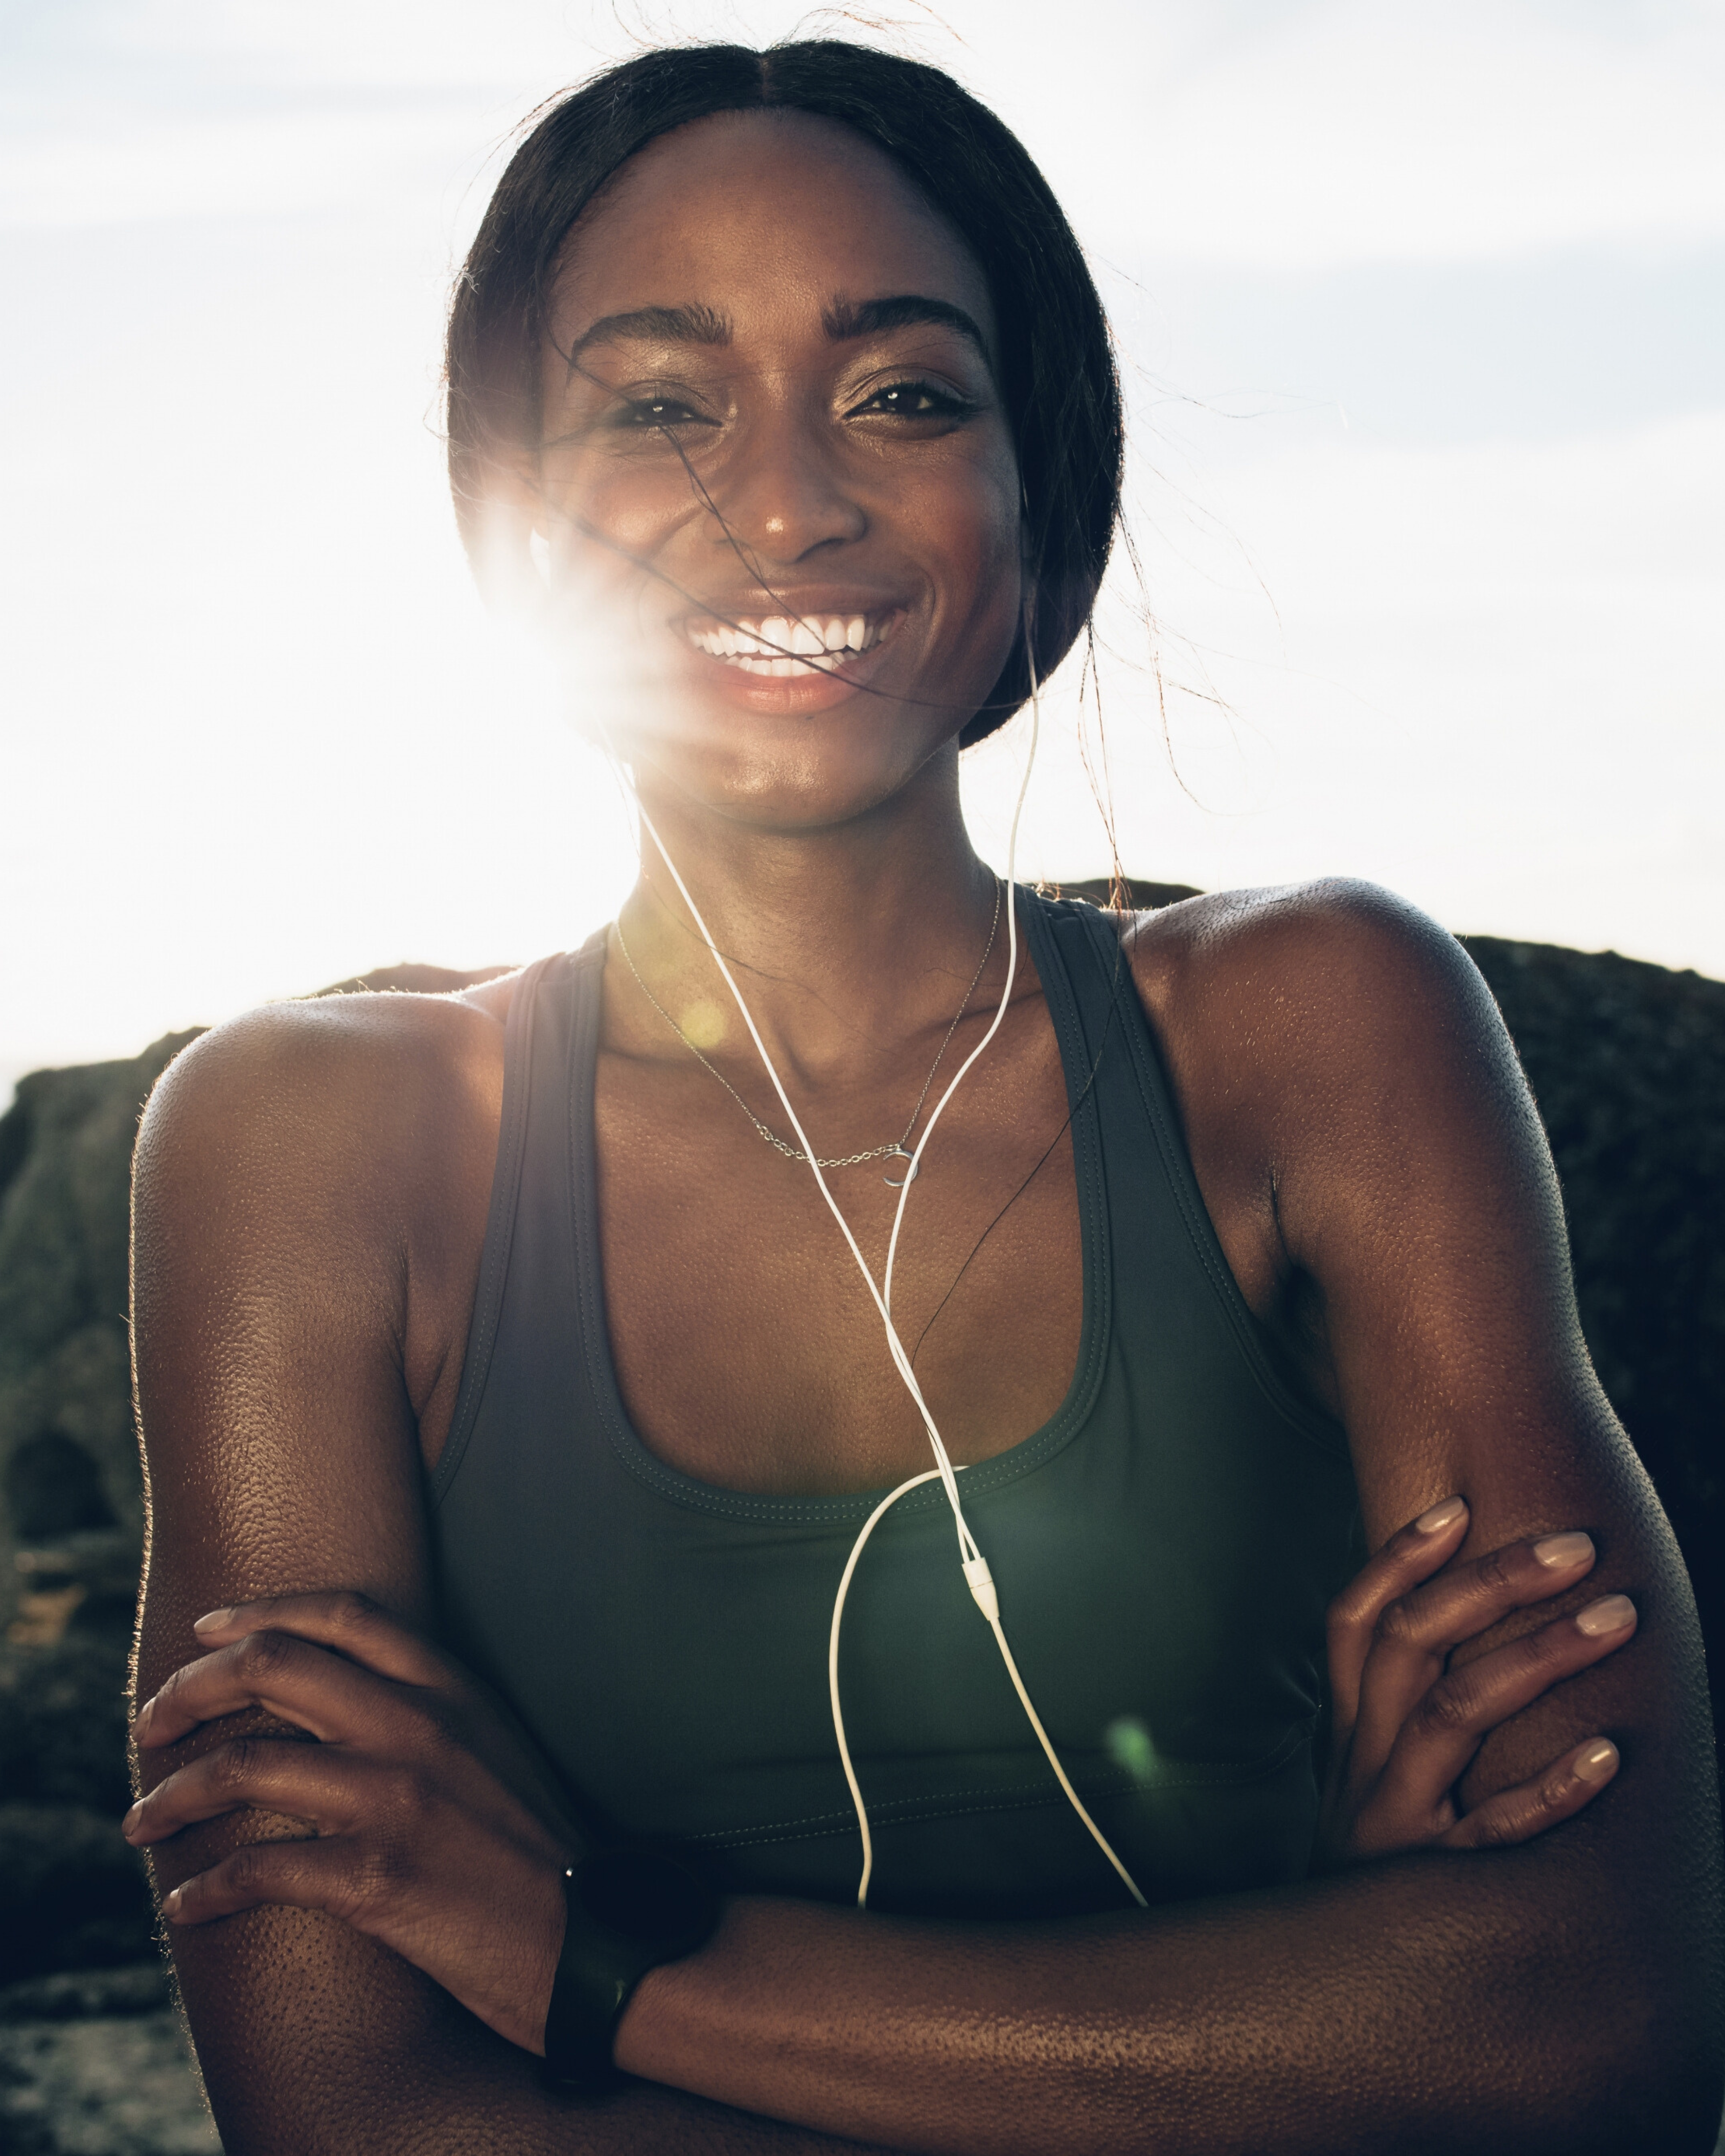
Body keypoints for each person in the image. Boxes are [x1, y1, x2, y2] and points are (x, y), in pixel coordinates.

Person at [125, 40, 1722, 2156]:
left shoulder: (1313, 1027)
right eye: (657, 404)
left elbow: (1603, 2006)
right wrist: (1319, 2024)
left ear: (1036, 490)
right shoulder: (313, 1148)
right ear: (515, 517)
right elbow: (354, 2125)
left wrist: (592, 1952)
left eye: (904, 393)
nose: (785, 499)